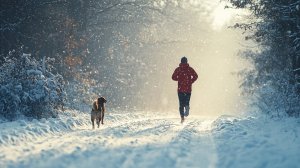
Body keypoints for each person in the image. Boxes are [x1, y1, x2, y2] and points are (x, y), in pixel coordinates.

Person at [172, 57, 198, 123]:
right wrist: (191, 81)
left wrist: (179, 79)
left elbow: (173, 77)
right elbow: (196, 76)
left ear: (181, 62)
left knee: (181, 104)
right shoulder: (190, 69)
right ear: (186, 62)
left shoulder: (178, 69)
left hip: (180, 89)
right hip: (188, 89)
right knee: (187, 101)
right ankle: (187, 106)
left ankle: (182, 118)